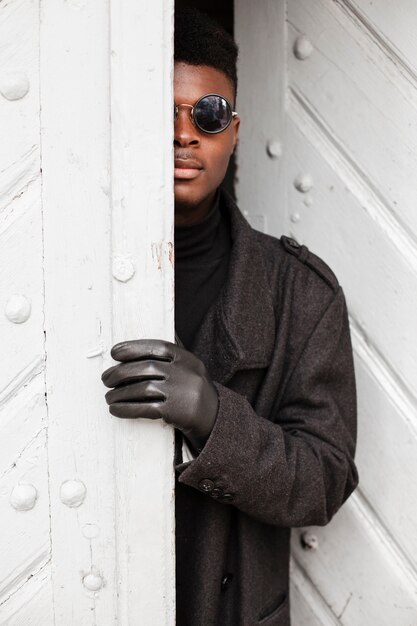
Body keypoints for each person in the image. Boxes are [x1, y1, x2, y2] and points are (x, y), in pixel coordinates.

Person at [101, 7, 359, 625]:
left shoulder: (300, 294)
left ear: (235, 131)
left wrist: (214, 418)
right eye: (164, 110)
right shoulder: (67, 277)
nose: (184, 133)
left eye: (208, 114)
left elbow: (325, 477)